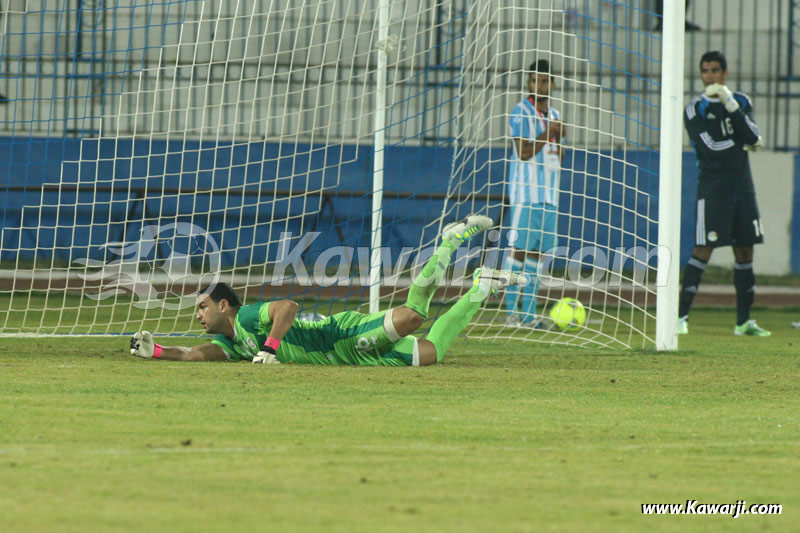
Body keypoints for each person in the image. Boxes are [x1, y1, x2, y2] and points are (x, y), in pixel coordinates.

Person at [130, 215, 527, 366]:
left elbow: (287, 305)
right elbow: (195, 354)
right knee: (432, 352)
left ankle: (448, 243)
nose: (197, 315)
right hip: (347, 359)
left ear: (223, 305)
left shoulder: (247, 316)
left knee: (413, 317)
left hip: (343, 337)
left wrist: (269, 349)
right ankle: (480, 287)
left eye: (201, 307)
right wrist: (159, 351)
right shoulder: (233, 346)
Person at [679, 50, 769, 337]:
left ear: (725, 74)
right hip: (714, 188)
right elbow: (710, 149)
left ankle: (743, 323)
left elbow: (754, 136)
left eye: (715, 70)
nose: (710, 76)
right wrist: (742, 144)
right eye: (705, 71)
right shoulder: (694, 109)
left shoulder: (740, 101)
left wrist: (730, 104)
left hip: (743, 187)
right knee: (703, 250)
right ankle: (680, 318)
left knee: (744, 250)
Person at [503, 58, 565, 328]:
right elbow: (524, 153)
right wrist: (546, 133)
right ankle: (510, 314)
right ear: (528, 83)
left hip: (549, 195)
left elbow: (558, 157)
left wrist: (558, 137)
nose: (539, 85)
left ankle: (529, 316)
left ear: (553, 83)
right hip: (525, 194)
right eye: (534, 80)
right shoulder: (520, 111)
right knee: (518, 251)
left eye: (544, 80)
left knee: (539, 255)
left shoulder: (555, 115)